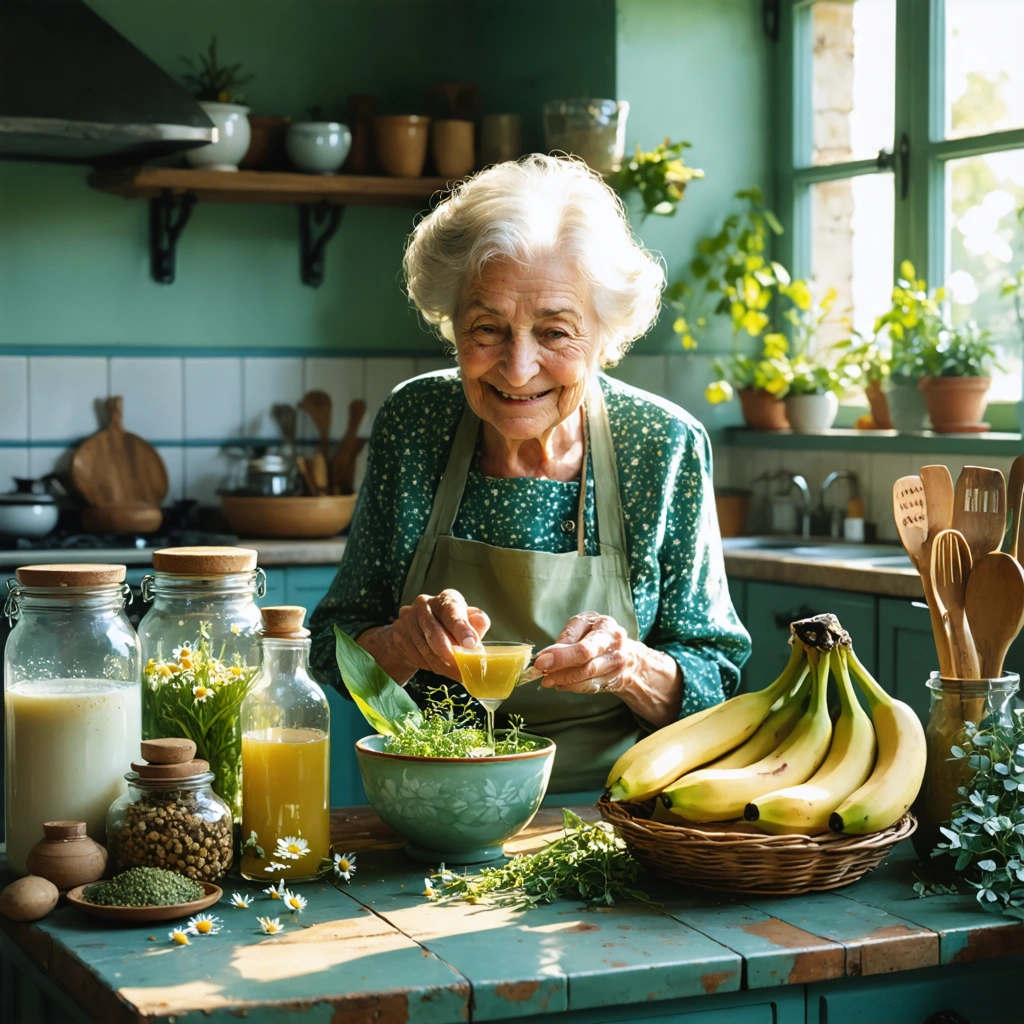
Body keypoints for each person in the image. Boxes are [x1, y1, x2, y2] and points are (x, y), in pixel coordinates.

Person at [310, 154, 750, 791]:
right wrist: (402, 645)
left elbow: (715, 678)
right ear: (452, 323)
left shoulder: (662, 443)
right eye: (487, 328)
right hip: (434, 801)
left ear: (604, 337)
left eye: (555, 332)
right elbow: (332, 647)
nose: (517, 369)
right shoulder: (416, 422)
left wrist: (627, 666)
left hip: (617, 811)